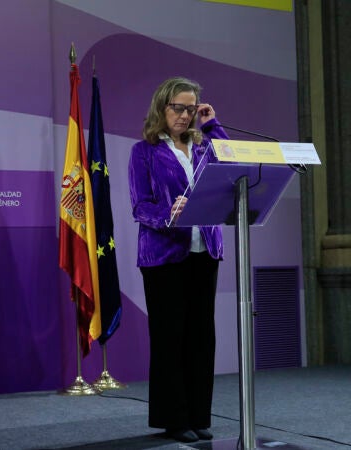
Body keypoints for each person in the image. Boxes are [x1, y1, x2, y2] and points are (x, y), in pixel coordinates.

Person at [127, 77, 229, 443]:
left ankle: (199, 416)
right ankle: (174, 419)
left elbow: (232, 168)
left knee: (202, 337)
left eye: (191, 109)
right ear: (162, 107)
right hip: (163, 256)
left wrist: (213, 125)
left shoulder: (204, 147)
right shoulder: (144, 151)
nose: (185, 116)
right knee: (170, 338)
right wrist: (168, 214)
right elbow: (140, 205)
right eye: (178, 108)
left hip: (205, 251)